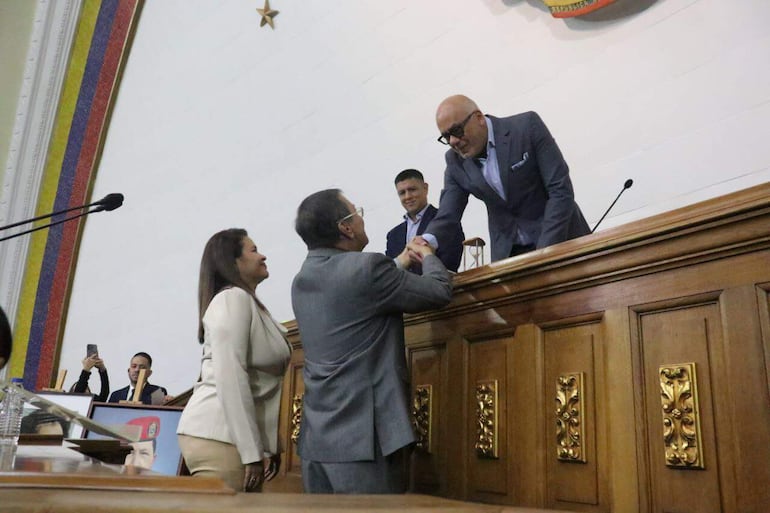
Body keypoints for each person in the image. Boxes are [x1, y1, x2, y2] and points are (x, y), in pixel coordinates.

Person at [291, 189, 453, 494]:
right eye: (357, 212)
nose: (362, 218)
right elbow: (438, 291)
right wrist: (428, 256)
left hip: (317, 439)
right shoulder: (367, 268)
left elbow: (355, 289)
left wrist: (400, 261)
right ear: (346, 227)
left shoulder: (302, 280)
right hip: (363, 440)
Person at [177, 229, 291, 493]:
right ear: (234, 262)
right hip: (219, 435)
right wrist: (251, 452)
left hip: (229, 436)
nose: (262, 256)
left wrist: (267, 445)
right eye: (253, 250)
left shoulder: (247, 302)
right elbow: (231, 378)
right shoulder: (232, 299)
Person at [420, 94, 590, 263]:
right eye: (446, 137)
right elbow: (448, 215)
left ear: (478, 118)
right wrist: (426, 241)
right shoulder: (454, 162)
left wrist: (545, 252)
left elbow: (560, 190)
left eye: (457, 131)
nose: (454, 141)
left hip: (561, 241)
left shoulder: (526, 127)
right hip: (510, 257)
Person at [385, 169, 464, 273]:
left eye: (412, 189)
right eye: (402, 193)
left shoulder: (445, 222)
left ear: (425, 188)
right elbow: (390, 272)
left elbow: (450, 261)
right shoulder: (393, 236)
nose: (408, 196)